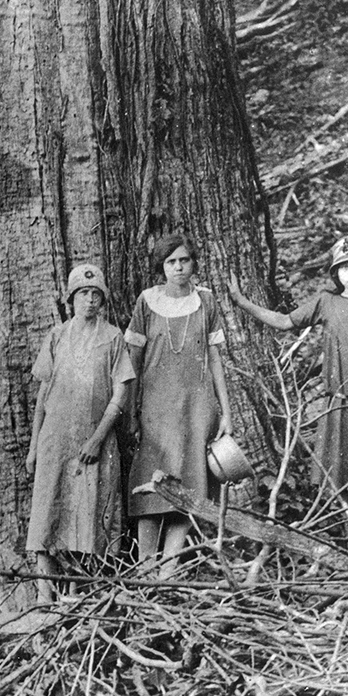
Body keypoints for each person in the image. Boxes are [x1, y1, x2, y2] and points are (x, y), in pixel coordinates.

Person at [229, 235, 348, 546]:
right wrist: (242, 301)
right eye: (344, 267)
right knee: (344, 481)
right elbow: (286, 322)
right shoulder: (327, 302)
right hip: (340, 406)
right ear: (335, 274)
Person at [25, 263, 135, 602]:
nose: (89, 300)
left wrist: (98, 438)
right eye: (83, 294)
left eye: (95, 294)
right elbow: (43, 395)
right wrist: (33, 447)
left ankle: (78, 590)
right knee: (47, 509)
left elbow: (121, 394)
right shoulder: (58, 336)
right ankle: (44, 591)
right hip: (56, 439)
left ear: (102, 300)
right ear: (71, 299)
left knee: (87, 512)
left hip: (94, 441)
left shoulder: (113, 338)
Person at [126, 234, 233, 578]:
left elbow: (215, 359)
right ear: (161, 266)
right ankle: (145, 565)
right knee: (149, 482)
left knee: (190, 481)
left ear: (194, 263)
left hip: (197, 408)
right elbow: (134, 359)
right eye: (171, 262)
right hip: (156, 408)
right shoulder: (147, 301)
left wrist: (226, 411)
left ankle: (169, 565)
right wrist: (131, 410)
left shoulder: (206, 301)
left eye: (184, 260)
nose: (178, 267)